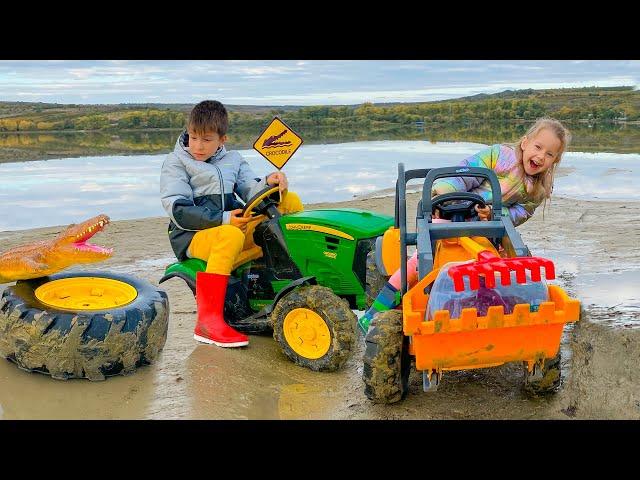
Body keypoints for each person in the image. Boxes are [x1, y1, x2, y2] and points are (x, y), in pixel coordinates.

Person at [357, 117, 571, 335]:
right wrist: (448, 192)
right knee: (418, 263)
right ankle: (374, 313)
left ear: (554, 161)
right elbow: (466, 172)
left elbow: (522, 212)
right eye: (538, 147)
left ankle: (515, 310)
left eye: (549, 154)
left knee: (513, 261)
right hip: (451, 216)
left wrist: (496, 213)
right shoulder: (499, 156)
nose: (541, 156)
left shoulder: (537, 188)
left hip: (488, 229)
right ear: (525, 143)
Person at [160, 100, 304, 348]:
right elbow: (178, 210)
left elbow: (251, 190)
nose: (198, 146)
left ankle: (291, 277)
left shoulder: (234, 160)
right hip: (192, 236)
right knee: (231, 235)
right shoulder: (176, 162)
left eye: (206, 140)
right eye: (193, 137)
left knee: (289, 201)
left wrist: (270, 180)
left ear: (222, 139)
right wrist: (224, 219)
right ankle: (207, 324)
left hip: (232, 225)